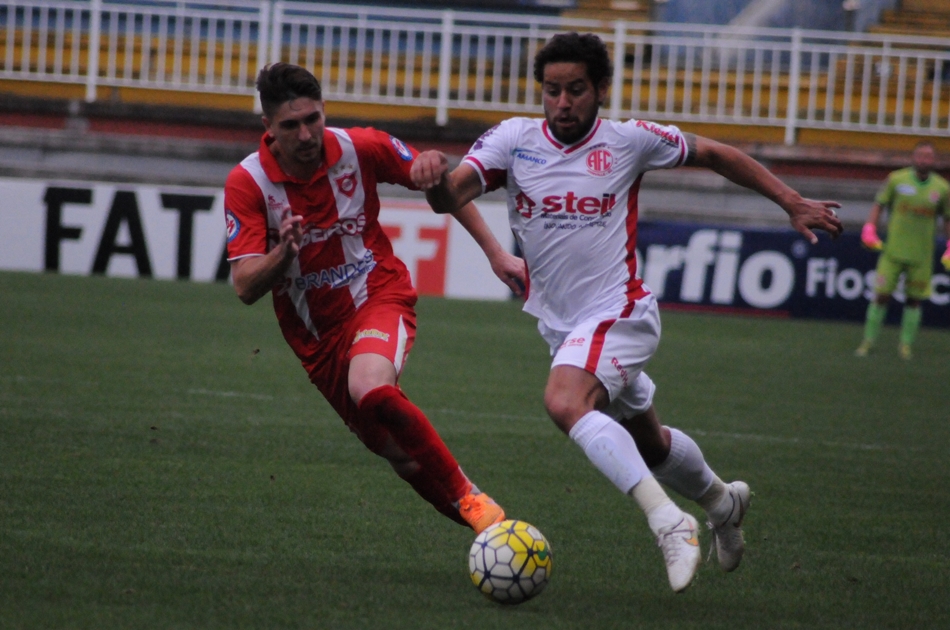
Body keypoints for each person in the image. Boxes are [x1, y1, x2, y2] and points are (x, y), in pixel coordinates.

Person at [410, 32, 843, 593]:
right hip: (564, 327)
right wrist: (433, 179)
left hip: (620, 312)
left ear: (601, 90)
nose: (563, 103)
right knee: (650, 443)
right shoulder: (514, 139)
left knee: (564, 401)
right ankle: (721, 502)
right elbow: (451, 197)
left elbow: (716, 153)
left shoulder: (629, 141)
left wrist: (791, 201)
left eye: (576, 89)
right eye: (552, 91)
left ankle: (668, 522)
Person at [223, 63, 525, 535]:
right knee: (402, 456)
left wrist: (494, 251)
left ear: (324, 110)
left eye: (313, 119)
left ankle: (469, 496)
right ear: (268, 127)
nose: (306, 134)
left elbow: (443, 188)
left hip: (378, 294)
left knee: (370, 386)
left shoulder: (360, 147)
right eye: (291, 125)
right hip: (318, 340)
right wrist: (283, 253)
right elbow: (244, 286)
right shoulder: (248, 183)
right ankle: (493, 532)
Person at [855, 141, 950, 360]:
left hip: (921, 255)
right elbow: (879, 204)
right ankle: (868, 341)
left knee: (914, 300)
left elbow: (947, 218)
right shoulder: (897, 180)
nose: (924, 160)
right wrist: (870, 229)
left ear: (934, 160)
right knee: (881, 296)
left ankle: (905, 345)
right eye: (920, 155)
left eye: (928, 156)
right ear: (913, 158)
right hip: (893, 252)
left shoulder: (942, 188)